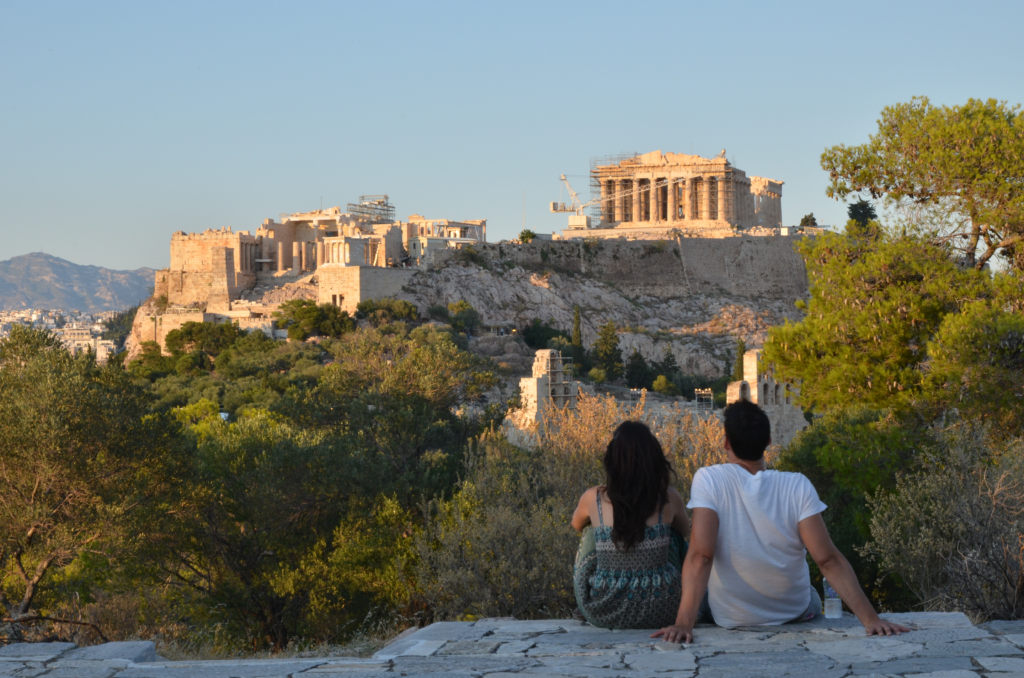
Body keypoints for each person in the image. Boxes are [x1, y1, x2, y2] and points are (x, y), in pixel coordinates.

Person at [653, 400, 909, 643]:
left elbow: (701, 556)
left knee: (707, 589)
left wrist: (684, 624)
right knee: (810, 595)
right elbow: (828, 560)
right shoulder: (797, 484)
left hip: (731, 617)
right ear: (768, 441)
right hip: (793, 612)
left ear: (726, 443)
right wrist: (871, 619)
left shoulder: (708, 479)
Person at [572, 420, 691, 629]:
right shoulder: (669, 498)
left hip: (605, 609)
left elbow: (576, 525)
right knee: (672, 535)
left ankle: (585, 603)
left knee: (591, 532)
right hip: (664, 606)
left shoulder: (594, 498)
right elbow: (685, 532)